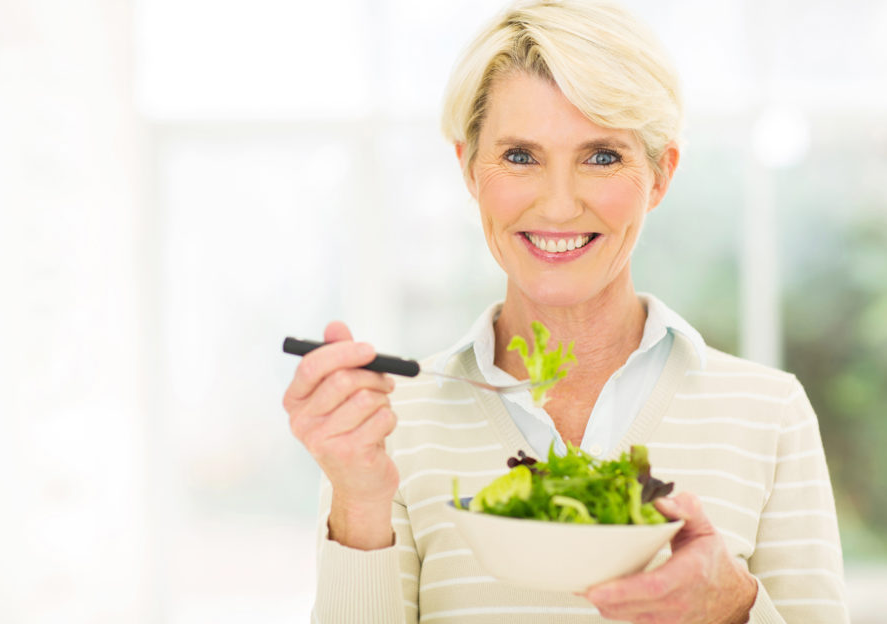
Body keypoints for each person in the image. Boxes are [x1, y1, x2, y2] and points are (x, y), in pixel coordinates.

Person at [283, 1, 848, 622]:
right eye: (520, 156)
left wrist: (737, 608)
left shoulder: (768, 415)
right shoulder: (394, 427)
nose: (557, 207)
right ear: (469, 167)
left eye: (601, 156)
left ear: (660, 176)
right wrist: (358, 503)